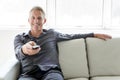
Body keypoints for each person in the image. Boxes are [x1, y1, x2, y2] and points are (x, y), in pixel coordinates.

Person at [14, 6, 112, 80]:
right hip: (29, 74)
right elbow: (18, 52)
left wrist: (94, 34)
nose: (36, 21)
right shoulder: (19, 38)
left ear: (44, 21)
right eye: (33, 18)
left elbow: (72, 36)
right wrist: (24, 49)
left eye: (39, 18)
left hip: (51, 72)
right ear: (28, 20)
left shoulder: (51, 34)